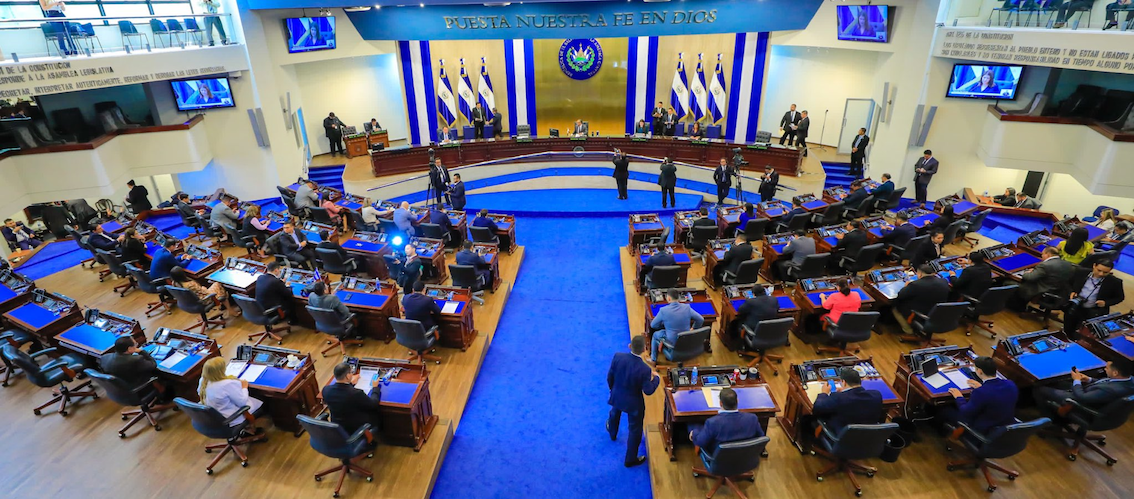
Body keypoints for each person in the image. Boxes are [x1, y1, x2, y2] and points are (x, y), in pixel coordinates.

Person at [607, 335, 660, 467]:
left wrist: (613, 390)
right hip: (634, 404)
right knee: (635, 430)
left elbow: (610, 377)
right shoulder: (645, 369)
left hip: (618, 395)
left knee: (615, 412)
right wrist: (656, 379)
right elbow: (648, 390)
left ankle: (612, 432)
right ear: (644, 349)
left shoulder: (618, 357)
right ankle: (630, 459)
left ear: (630, 346)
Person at [939, 356, 1018, 437]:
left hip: (985, 429)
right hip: (1005, 426)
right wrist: (982, 386)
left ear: (979, 371)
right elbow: (996, 395)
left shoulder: (981, 392)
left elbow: (965, 412)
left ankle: (941, 435)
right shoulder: (1010, 384)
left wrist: (958, 397)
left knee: (945, 410)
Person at [1034, 361, 1134, 419]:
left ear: (1115, 373)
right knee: (1055, 383)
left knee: (1039, 389)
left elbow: (1082, 397)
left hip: (1079, 402)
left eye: (1107, 368)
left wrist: (1077, 380)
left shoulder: (1111, 390)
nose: (1105, 369)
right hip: (1091, 394)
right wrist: (1089, 379)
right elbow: (1106, 383)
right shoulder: (1129, 379)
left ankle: (1051, 421)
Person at [689, 387, 764, 455]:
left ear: (720, 403)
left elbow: (700, 442)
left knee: (692, 424)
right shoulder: (752, 418)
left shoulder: (713, 423)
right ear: (737, 401)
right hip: (745, 457)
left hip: (719, 458)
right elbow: (761, 438)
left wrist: (694, 433)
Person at [812, 367, 883, 435]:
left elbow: (817, 408)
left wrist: (824, 393)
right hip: (869, 437)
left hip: (843, 437)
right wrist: (844, 393)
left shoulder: (838, 398)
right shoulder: (876, 395)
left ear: (844, 382)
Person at [198, 357, 264, 429]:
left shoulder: (203, 381)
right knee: (262, 402)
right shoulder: (227, 384)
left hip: (215, 415)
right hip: (230, 418)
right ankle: (251, 428)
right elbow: (242, 403)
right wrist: (244, 387)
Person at [1064, 260, 1125, 337]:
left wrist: (1105, 303)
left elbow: (1120, 297)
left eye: (1105, 272)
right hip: (1074, 306)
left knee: (1086, 334)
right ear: (1094, 266)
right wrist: (1071, 292)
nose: (1101, 274)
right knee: (1068, 328)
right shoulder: (1080, 272)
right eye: (1099, 270)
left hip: (1094, 311)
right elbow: (1067, 283)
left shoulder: (1115, 282)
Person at [322, 361, 382, 436]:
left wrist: (350, 384)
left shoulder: (326, 390)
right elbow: (373, 404)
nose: (352, 374)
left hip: (338, 426)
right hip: (355, 427)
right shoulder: (356, 393)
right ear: (347, 376)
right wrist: (375, 388)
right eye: (351, 372)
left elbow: (340, 395)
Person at [892, 265, 951, 335]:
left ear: (920, 274)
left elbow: (900, 295)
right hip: (937, 313)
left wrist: (906, 286)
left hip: (919, 314)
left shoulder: (915, 285)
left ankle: (908, 329)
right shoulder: (944, 281)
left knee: (895, 306)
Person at [649, 289, 705, 362]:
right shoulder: (687, 308)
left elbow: (653, 325)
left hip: (673, 344)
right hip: (686, 341)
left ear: (669, 298)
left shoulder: (663, 310)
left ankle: (653, 359)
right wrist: (693, 328)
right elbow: (700, 319)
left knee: (655, 335)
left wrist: (664, 325)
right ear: (678, 298)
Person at [1011, 246, 1074, 311]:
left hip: (1042, 292)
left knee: (1015, 283)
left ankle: (1016, 308)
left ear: (1048, 254)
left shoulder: (1045, 265)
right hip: (1060, 293)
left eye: (1043, 254)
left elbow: (1029, 277)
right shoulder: (1067, 264)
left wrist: (1026, 273)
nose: (1041, 256)